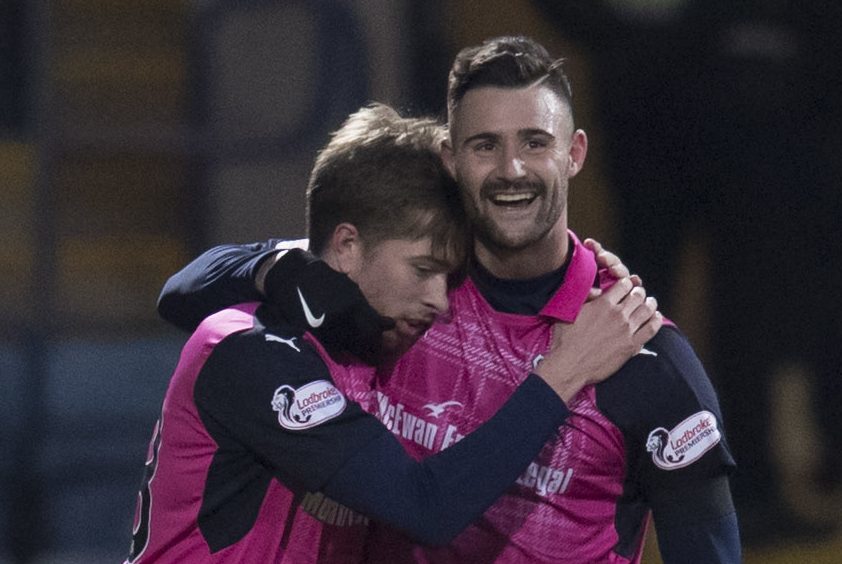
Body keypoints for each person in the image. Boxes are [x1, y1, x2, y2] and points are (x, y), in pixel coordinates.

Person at [156, 37, 739, 563]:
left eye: (535, 143)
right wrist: (276, 266)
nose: (512, 169)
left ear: (575, 153)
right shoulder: (391, 304)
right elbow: (187, 293)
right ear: (451, 160)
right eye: (485, 146)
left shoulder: (644, 357)